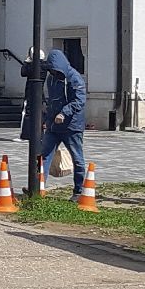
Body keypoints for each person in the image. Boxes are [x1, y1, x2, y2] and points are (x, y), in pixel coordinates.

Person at [42, 50, 88, 198]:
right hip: (54, 126)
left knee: (77, 158)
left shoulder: (74, 78)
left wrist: (64, 113)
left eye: (55, 70)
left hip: (72, 126)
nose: (54, 73)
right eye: (51, 70)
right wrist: (47, 121)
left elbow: (79, 100)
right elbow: (51, 102)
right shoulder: (51, 79)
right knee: (44, 156)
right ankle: (38, 187)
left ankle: (79, 190)